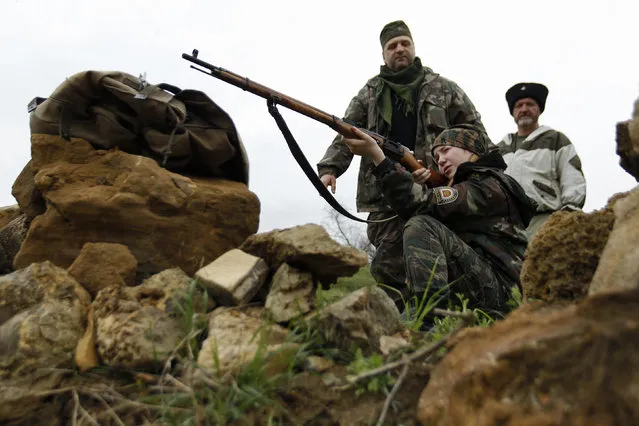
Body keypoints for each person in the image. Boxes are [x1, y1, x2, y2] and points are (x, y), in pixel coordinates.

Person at [316, 20, 489, 300]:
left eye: (404, 43)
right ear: (383, 54)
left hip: (437, 191)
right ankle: (398, 327)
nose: (399, 49)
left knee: (441, 257)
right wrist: (329, 169)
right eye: (392, 46)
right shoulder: (370, 93)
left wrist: (463, 173)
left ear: (413, 47)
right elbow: (347, 131)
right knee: (387, 267)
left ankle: (442, 316)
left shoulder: (444, 88)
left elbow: (476, 133)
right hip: (384, 194)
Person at [342, 124, 535, 315]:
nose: (440, 161)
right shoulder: (471, 186)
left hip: (505, 293)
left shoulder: (488, 186)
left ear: (470, 151)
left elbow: (419, 203)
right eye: (436, 157)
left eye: (445, 151)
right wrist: (414, 184)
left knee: (421, 225)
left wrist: (379, 157)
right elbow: (423, 208)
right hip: (487, 286)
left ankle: (430, 319)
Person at [497, 82, 586, 240]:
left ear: (539, 109)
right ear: (513, 112)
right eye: (519, 105)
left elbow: (572, 176)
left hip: (544, 221)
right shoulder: (500, 148)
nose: (524, 109)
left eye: (530, 104)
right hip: (505, 226)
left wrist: (568, 215)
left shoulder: (555, 139)